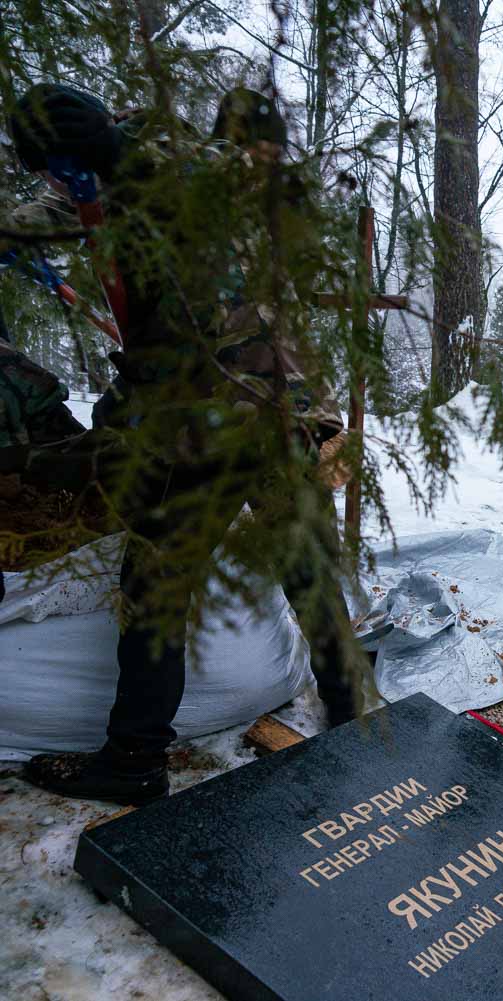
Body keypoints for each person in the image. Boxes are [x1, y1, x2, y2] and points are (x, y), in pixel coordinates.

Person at [8, 84, 360, 805]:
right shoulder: (83, 193)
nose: (54, 185)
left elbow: (215, 188)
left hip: (229, 406)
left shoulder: (167, 160)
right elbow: (39, 222)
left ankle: (135, 759)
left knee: (165, 584)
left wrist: (119, 154)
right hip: (250, 403)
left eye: (57, 169)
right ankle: (351, 701)